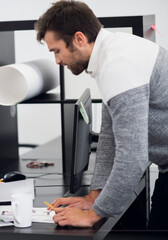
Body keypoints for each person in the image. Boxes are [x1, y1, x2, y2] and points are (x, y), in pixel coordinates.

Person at [35, 0, 168, 230]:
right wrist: (95, 195)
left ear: (78, 38)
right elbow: (110, 134)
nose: (56, 61)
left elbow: (133, 155)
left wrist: (95, 214)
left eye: (57, 51)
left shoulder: (119, 65)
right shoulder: (111, 53)